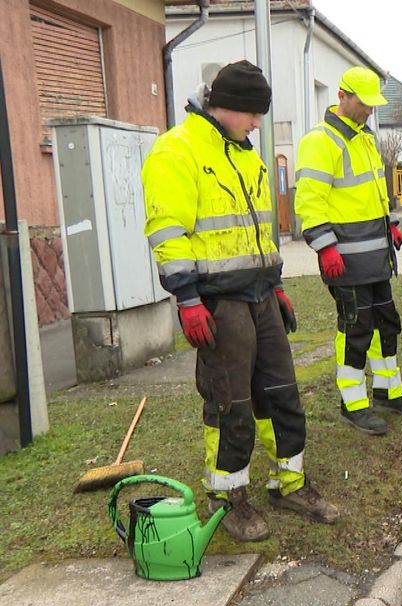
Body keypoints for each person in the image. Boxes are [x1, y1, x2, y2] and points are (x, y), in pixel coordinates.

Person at [142, 60, 339, 542]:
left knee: (282, 392)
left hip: (260, 294)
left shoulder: (247, 155)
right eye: (252, 115)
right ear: (225, 106)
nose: (257, 124)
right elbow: (167, 231)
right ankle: (226, 499)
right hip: (216, 301)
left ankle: (290, 483)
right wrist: (188, 299)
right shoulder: (176, 150)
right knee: (230, 404)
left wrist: (276, 284)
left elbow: (259, 231)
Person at [295, 66, 402, 436]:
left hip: (376, 256)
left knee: (386, 323)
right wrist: (325, 247)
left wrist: (391, 222)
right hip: (345, 261)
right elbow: (309, 201)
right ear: (342, 96)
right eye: (364, 103)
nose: (369, 110)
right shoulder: (320, 141)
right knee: (356, 328)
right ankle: (352, 404)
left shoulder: (365, 138)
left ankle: (387, 392)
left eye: (372, 104)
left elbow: (375, 191)